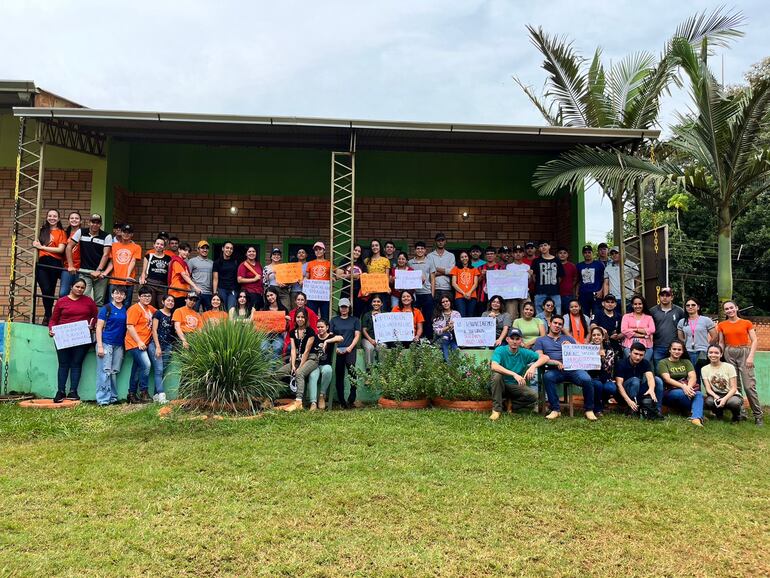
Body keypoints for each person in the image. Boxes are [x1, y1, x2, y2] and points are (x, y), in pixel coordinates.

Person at [534, 316, 597, 421]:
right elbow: (539, 357)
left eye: (560, 324)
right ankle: (555, 410)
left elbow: (581, 354)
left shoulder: (568, 339)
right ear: (550, 323)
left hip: (573, 369)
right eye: (555, 323)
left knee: (587, 379)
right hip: (554, 370)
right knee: (548, 377)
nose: (557, 326)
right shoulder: (541, 340)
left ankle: (589, 410)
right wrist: (554, 362)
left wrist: (571, 348)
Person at [48, 278, 98, 402]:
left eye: (82, 288)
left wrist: (91, 325)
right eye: (77, 287)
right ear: (71, 286)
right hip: (63, 337)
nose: (80, 289)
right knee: (63, 364)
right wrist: (51, 329)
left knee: (76, 364)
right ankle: (60, 391)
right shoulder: (62, 301)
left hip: (82, 337)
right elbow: (54, 319)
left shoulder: (89, 301)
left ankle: (73, 391)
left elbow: (95, 317)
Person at [718, 301, 763, 426]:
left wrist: (750, 357)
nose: (729, 310)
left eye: (731, 307)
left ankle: (758, 415)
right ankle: (740, 413)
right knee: (735, 387)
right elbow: (721, 342)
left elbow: (754, 341)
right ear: (724, 311)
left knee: (749, 386)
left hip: (744, 352)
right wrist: (720, 354)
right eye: (726, 309)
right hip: (729, 352)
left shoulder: (746, 323)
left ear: (737, 308)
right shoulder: (722, 325)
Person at [489, 328, 548, 421]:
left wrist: (533, 367)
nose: (514, 341)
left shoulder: (524, 352)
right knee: (497, 375)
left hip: (515, 386)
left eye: (517, 339)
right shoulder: (500, 350)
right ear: (507, 339)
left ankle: (510, 404)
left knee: (533, 395)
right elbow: (494, 366)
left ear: (521, 341)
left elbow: (545, 357)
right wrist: (514, 374)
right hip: (500, 384)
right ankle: (496, 410)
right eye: (512, 338)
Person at [66, 213, 112, 307]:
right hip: (85, 270)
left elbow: (106, 254)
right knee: (84, 297)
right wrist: (70, 265)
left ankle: (96, 321)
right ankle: (83, 321)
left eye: (98, 222)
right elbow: (69, 246)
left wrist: (98, 270)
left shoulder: (106, 236)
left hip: (100, 273)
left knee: (99, 300)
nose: (95, 224)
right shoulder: (81, 231)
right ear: (88, 222)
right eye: (93, 222)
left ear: (101, 224)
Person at [276, 308, 318, 412]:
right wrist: (293, 365)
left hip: (311, 359)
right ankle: (269, 398)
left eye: (302, 317)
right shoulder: (292, 332)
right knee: (277, 373)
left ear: (306, 318)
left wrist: (299, 367)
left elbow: (307, 351)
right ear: (295, 319)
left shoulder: (310, 332)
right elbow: (293, 350)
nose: (300, 319)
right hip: (298, 359)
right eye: (298, 317)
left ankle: (298, 402)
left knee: (299, 373)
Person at [94, 286, 128, 406]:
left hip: (119, 345)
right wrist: (100, 346)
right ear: (112, 295)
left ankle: (113, 398)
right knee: (104, 372)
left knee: (113, 372)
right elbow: (98, 328)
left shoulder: (125, 310)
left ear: (124, 297)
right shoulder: (106, 308)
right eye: (116, 293)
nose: (119, 296)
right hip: (106, 343)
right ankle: (103, 400)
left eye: (122, 294)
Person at [659, 339, 703, 426]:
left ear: (683, 351)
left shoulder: (686, 362)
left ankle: (696, 418)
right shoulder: (663, 362)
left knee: (698, 394)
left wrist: (689, 387)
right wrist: (684, 387)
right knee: (682, 394)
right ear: (670, 350)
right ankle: (692, 411)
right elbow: (667, 379)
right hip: (670, 391)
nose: (676, 351)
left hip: (687, 389)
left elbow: (693, 376)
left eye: (679, 349)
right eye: (674, 349)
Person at [33, 209, 67, 323]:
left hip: (55, 263)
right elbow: (35, 244)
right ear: (47, 217)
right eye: (50, 216)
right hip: (42, 263)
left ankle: (48, 317)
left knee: (51, 290)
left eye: (55, 216)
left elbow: (60, 249)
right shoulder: (42, 230)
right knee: (45, 289)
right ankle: (48, 314)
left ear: (58, 218)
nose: (52, 218)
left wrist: (42, 248)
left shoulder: (62, 232)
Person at [124, 286, 157, 404]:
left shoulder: (149, 309)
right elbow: (129, 326)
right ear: (139, 297)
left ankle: (131, 394)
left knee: (137, 369)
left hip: (144, 344)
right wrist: (139, 341)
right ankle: (144, 392)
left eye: (149, 296)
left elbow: (159, 313)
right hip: (134, 343)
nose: (147, 298)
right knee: (146, 365)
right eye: (144, 296)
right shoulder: (134, 309)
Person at [615, 342, 664, 418]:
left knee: (657, 380)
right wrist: (629, 401)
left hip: (639, 390)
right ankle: (632, 409)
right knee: (635, 380)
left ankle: (657, 410)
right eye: (636, 354)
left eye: (641, 355)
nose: (638, 357)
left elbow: (650, 378)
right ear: (630, 353)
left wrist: (651, 389)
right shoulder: (621, 363)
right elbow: (619, 385)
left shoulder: (645, 363)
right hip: (625, 393)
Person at [329, 298, 361, 408]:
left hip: (350, 349)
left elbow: (357, 335)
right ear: (339, 307)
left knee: (352, 372)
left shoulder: (355, 320)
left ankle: (352, 397)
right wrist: (335, 348)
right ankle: (342, 401)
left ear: (349, 308)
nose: (343, 309)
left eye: (345, 307)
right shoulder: (333, 320)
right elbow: (331, 336)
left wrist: (351, 347)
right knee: (339, 374)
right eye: (342, 307)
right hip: (337, 350)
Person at [676, 297, 717, 384]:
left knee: (706, 376)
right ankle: (697, 394)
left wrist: (707, 347)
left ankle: (710, 395)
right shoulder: (682, 322)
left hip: (703, 352)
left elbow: (714, 336)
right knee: (692, 375)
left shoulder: (706, 320)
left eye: (693, 305)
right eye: (688, 305)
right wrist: (687, 344)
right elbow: (681, 337)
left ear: (698, 307)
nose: (690, 307)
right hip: (688, 352)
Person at [701, 344, 743, 422]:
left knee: (734, 402)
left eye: (716, 353)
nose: (713, 355)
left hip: (731, 394)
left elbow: (734, 388)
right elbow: (708, 389)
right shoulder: (704, 369)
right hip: (716, 394)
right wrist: (716, 397)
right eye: (711, 352)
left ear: (721, 354)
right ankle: (719, 415)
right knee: (709, 401)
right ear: (707, 354)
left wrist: (724, 399)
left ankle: (736, 417)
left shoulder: (729, 367)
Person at [103, 224, 142, 306]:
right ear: (121, 232)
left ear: (132, 234)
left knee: (126, 305)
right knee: (112, 304)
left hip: (128, 282)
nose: (126, 234)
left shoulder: (136, 247)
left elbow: (133, 261)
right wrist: (105, 273)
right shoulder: (113, 246)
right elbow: (111, 262)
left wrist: (127, 276)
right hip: (114, 280)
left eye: (129, 232)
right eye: (124, 232)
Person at [309, 318, 340, 410]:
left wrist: (326, 341)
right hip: (315, 365)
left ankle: (322, 395)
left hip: (325, 364)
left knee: (328, 370)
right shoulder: (314, 338)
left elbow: (341, 338)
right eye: (318, 327)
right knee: (312, 376)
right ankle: (313, 402)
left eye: (322, 327)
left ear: (327, 327)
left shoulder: (331, 337)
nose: (320, 329)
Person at [650, 287, 685, 369]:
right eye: (662, 295)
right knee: (659, 371)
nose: (665, 297)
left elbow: (684, 328)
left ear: (672, 297)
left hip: (675, 347)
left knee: (674, 371)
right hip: (658, 346)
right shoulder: (652, 311)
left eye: (667, 295)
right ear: (659, 297)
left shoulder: (679, 311)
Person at [151, 294, 176, 402]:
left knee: (162, 370)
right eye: (168, 300)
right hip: (156, 345)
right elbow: (154, 330)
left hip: (168, 345)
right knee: (159, 370)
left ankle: (156, 394)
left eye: (172, 301)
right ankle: (161, 396)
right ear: (163, 302)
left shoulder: (173, 315)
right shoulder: (158, 313)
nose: (170, 302)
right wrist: (157, 346)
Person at [587, 327, 616, 416]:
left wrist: (602, 358)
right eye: (594, 335)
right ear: (591, 337)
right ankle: (598, 409)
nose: (596, 337)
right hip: (592, 377)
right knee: (598, 385)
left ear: (603, 336)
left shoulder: (609, 349)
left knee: (611, 388)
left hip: (605, 377)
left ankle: (603, 403)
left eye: (598, 335)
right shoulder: (587, 348)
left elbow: (608, 368)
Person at [408, 241, 434, 340]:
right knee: (415, 317)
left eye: (422, 249)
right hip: (414, 294)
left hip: (427, 292)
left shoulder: (429, 262)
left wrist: (432, 294)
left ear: (425, 250)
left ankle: (428, 338)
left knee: (428, 317)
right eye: (418, 249)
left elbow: (432, 278)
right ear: (415, 250)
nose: (420, 250)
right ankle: (415, 337)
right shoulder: (410, 262)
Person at [531, 240, 564, 315]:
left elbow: (560, 277)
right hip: (540, 292)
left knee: (557, 313)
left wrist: (553, 284)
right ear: (539, 249)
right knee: (540, 315)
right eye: (541, 246)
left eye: (545, 245)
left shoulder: (557, 260)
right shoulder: (536, 261)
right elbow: (534, 276)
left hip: (554, 292)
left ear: (549, 246)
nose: (543, 247)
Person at [140, 236, 172, 309]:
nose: (159, 246)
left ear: (164, 247)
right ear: (154, 245)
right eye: (157, 244)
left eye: (161, 244)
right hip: (151, 283)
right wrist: (142, 279)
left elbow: (170, 273)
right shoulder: (148, 256)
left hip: (163, 285)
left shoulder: (168, 258)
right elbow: (144, 271)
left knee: (162, 305)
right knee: (151, 305)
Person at [621, 295, 656, 362]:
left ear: (643, 305)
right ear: (632, 305)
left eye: (640, 304)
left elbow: (652, 329)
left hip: (647, 346)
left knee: (644, 367)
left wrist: (634, 329)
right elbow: (624, 330)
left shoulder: (649, 317)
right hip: (629, 346)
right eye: (635, 304)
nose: (637, 306)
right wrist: (642, 335)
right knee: (630, 366)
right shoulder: (626, 316)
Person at [602, 246, 638, 310]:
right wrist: (605, 298)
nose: (614, 255)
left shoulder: (631, 265)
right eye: (612, 254)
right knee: (615, 318)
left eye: (616, 253)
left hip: (628, 297)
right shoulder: (608, 268)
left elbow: (638, 279)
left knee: (628, 318)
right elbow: (606, 284)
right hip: (613, 299)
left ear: (622, 253)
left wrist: (635, 293)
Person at [334, 244, 365, 317]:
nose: (357, 252)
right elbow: (338, 276)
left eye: (359, 251)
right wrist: (352, 276)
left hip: (358, 293)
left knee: (357, 313)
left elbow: (364, 277)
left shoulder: (362, 264)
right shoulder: (344, 261)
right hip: (346, 290)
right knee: (343, 312)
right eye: (355, 250)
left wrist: (346, 275)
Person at [258, 287, 289, 360]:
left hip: (278, 335)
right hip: (266, 335)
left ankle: (273, 369)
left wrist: (286, 321)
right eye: (267, 296)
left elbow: (286, 328)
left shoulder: (283, 309)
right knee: (263, 348)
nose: (270, 297)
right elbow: (260, 324)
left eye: (271, 295)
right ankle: (265, 368)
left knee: (277, 347)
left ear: (276, 295)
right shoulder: (264, 309)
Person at [305, 241, 332, 319]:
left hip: (324, 294)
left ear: (324, 251)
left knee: (325, 316)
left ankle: (325, 331)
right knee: (312, 316)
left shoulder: (329, 263)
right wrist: (304, 280)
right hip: (312, 294)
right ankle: (313, 331)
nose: (318, 251)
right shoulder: (310, 263)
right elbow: (307, 276)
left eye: (320, 249)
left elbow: (334, 275)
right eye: (316, 250)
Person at [427, 233, 456, 305]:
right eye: (438, 240)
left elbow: (452, 271)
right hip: (434, 288)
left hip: (447, 288)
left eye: (442, 240)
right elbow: (428, 273)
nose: (440, 242)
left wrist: (436, 269)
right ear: (435, 242)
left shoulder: (451, 256)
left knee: (447, 311)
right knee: (435, 311)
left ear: (445, 241)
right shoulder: (429, 256)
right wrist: (445, 271)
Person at [576, 244, 604, 317]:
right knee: (584, 316)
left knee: (597, 314)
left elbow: (605, 280)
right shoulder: (579, 266)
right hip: (583, 294)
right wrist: (576, 293)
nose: (587, 254)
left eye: (589, 252)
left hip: (596, 294)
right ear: (583, 254)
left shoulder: (599, 265)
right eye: (585, 253)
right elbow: (578, 281)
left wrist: (601, 291)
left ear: (592, 253)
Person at [505, 244, 532, 320]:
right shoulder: (509, 266)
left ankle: (525, 331)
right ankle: (512, 331)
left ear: (523, 254)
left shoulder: (527, 266)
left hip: (524, 292)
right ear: (513, 254)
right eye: (516, 252)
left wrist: (530, 275)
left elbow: (529, 282)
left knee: (527, 312)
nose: (518, 254)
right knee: (511, 315)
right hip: (512, 293)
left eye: (520, 252)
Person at [59, 211, 82, 298]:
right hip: (67, 267)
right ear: (68, 221)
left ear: (80, 221)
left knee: (78, 293)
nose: (74, 220)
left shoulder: (83, 234)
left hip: (80, 268)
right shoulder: (65, 234)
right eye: (72, 218)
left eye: (76, 218)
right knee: (63, 293)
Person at [450, 250, 480, 318]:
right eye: (462, 257)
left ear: (468, 257)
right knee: (461, 316)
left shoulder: (474, 269)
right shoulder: (456, 268)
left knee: (470, 316)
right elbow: (454, 283)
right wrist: (464, 293)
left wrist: (469, 292)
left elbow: (475, 283)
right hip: (460, 297)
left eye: (465, 256)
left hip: (472, 296)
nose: (464, 258)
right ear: (460, 259)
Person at [364, 239, 391, 311]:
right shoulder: (366, 260)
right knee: (370, 311)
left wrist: (387, 287)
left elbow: (387, 276)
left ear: (380, 247)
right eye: (372, 246)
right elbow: (364, 275)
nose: (374, 247)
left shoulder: (385, 260)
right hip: (370, 290)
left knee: (382, 310)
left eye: (376, 245)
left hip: (382, 290)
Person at [360, 295, 387, 368]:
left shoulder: (385, 315)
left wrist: (380, 317)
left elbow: (387, 329)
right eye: (374, 301)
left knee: (382, 347)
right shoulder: (367, 315)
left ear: (382, 304)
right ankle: (369, 371)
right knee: (370, 348)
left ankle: (382, 370)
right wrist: (370, 340)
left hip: (380, 339)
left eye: (378, 302)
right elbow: (364, 330)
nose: (376, 303)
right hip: (367, 339)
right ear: (371, 303)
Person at [432, 295, 461, 361]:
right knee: (445, 336)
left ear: (450, 302)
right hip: (440, 338)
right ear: (440, 304)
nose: (445, 303)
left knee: (455, 347)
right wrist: (448, 327)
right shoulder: (438, 315)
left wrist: (453, 326)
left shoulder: (456, 313)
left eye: (447, 301)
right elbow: (437, 331)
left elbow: (460, 328)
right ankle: (449, 365)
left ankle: (452, 367)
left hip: (454, 338)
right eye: (443, 302)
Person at [213, 241, 239, 312]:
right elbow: (215, 279)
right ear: (223, 249)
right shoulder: (217, 262)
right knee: (223, 310)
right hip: (222, 289)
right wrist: (215, 293)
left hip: (233, 290)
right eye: (227, 248)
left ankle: (230, 323)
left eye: (231, 248)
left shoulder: (235, 262)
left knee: (231, 309)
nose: (229, 250)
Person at [188, 240, 214, 312]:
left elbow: (214, 279)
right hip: (196, 292)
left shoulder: (212, 263)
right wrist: (190, 290)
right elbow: (187, 277)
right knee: (194, 312)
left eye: (206, 248)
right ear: (198, 250)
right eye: (202, 248)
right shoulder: (192, 261)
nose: (205, 250)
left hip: (208, 293)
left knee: (208, 314)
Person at [237, 245, 265, 312]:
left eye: (253, 251)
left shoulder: (258, 264)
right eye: (249, 251)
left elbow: (261, 277)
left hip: (259, 293)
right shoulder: (243, 265)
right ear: (246, 254)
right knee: (251, 313)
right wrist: (254, 279)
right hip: (250, 293)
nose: (251, 253)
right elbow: (239, 279)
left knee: (258, 314)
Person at [477, 246, 502, 317]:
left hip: (495, 296)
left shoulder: (500, 268)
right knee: (482, 316)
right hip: (482, 296)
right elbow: (476, 283)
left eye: (491, 254)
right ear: (485, 256)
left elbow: (504, 283)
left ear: (495, 255)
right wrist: (482, 275)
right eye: (488, 254)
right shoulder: (480, 267)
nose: (490, 255)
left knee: (495, 316)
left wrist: (498, 275)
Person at [557, 246, 578, 314]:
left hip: (568, 295)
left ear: (567, 255)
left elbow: (575, 279)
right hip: (556, 294)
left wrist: (570, 286)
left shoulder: (572, 266)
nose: (562, 255)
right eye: (560, 253)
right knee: (557, 314)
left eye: (564, 253)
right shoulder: (555, 265)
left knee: (568, 315)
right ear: (557, 255)